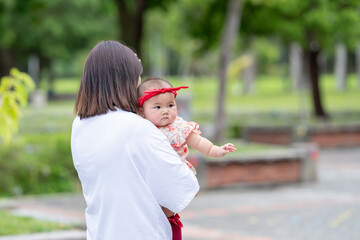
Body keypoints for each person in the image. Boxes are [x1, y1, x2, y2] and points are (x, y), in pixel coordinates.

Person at [71, 41, 199, 240]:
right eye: (137, 76)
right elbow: (182, 189)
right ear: (126, 80)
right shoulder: (137, 129)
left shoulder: (80, 125)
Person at [138, 77, 237, 239]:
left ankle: (168, 219)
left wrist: (216, 150)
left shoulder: (179, 127)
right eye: (157, 107)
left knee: (168, 207)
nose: (165, 111)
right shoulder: (142, 128)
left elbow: (198, 142)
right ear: (142, 112)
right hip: (153, 175)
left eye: (170, 105)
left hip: (174, 173)